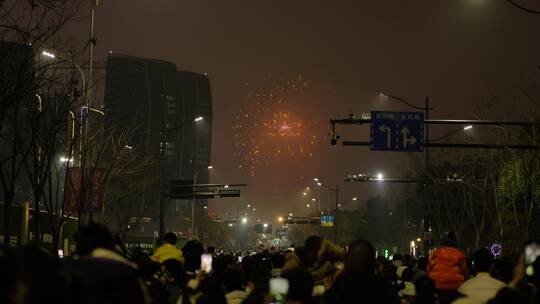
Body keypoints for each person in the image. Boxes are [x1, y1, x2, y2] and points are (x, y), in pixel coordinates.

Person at [323, 239, 399, 304]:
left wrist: (329, 292)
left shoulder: (337, 288)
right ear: (374, 263)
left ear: (346, 262)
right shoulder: (386, 290)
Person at [427, 232, 467, 304]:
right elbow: (463, 270)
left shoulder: (436, 253)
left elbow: (429, 268)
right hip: (455, 285)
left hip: (437, 284)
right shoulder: (460, 254)